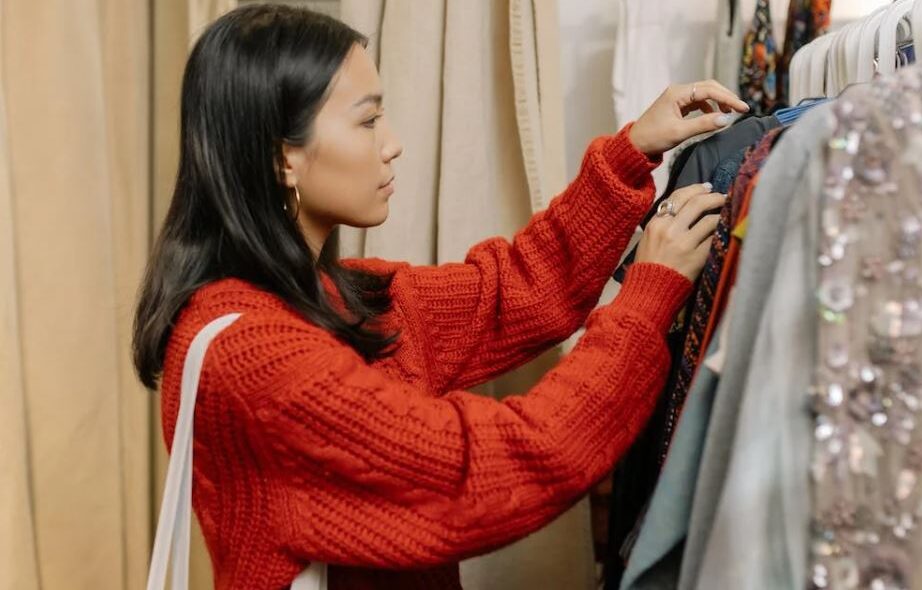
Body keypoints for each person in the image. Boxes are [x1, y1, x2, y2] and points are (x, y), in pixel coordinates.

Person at [131, 4, 747, 589]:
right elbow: (497, 464)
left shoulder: (337, 299)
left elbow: (512, 290)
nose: (392, 143)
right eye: (368, 120)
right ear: (282, 156)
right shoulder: (253, 356)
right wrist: (645, 301)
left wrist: (630, 152)